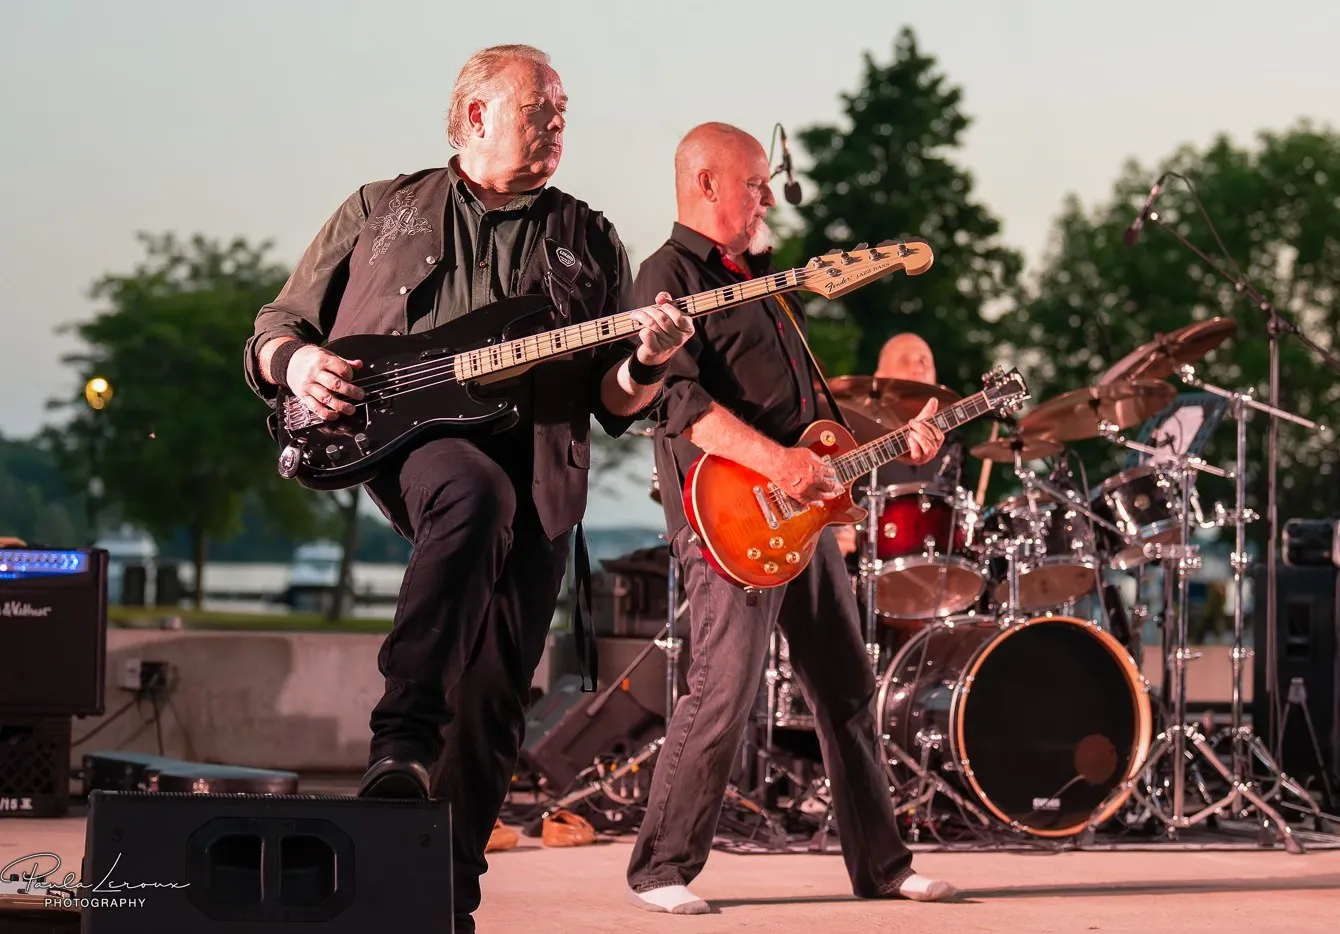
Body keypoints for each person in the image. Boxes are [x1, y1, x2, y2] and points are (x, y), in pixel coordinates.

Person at [242, 44, 694, 933]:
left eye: (565, 109)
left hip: (544, 475)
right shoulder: (380, 209)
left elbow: (611, 399)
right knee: (470, 493)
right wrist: (296, 365)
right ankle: (402, 739)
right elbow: (275, 324)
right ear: (478, 115)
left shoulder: (589, 236)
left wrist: (647, 359)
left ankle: (444, 909)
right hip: (409, 443)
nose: (560, 121)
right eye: (542, 107)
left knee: (493, 710)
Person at [624, 121, 957, 915]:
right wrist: (778, 466)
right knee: (723, 689)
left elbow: (809, 422)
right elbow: (678, 406)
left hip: (802, 522)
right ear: (707, 185)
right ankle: (660, 869)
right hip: (727, 522)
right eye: (755, 182)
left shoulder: (765, 280)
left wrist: (890, 444)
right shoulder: (666, 275)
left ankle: (884, 867)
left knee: (847, 688)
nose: (768, 194)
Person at [833, 332, 969, 559]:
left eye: (926, 360)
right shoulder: (849, 430)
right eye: (905, 360)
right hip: (858, 563)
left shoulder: (952, 443)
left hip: (934, 567)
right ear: (879, 377)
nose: (919, 366)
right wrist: (835, 531)